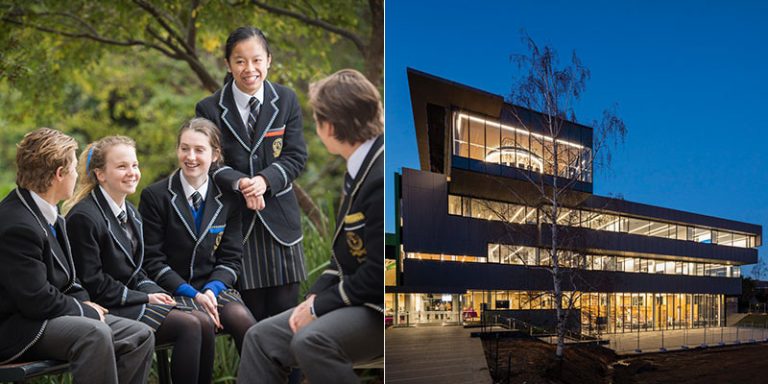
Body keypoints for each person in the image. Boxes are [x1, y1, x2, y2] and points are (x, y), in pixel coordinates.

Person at [238, 69, 384, 383]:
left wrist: (319, 308)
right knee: (260, 337)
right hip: (354, 300)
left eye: (316, 120)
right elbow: (341, 261)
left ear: (329, 126)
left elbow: (378, 275)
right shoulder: (358, 167)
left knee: (311, 340)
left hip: (381, 309)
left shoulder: (380, 175)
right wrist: (312, 300)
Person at [0, 128, 154, 384]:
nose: (76, 175)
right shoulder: (17, 224)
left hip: (47, 316)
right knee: (94, 333)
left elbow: (70, 281)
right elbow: (35, 300)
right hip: (18, 328)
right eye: (73, 169)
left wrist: (88, 305)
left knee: (140, 334)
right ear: (59, 175)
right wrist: (85, 310)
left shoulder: (52, 215)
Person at [64, 135, 216, 384]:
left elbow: (137, 272)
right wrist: (146, 298)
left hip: (131, 300)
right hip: (107, 307)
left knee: (204, 320)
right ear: (100, 174)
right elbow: (94, 283)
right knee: (189, 325)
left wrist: (158, 294)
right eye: (122, 166)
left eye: (134, 165)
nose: (132, 173)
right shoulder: (84, 217)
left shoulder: (131, 213)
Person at [195, 26, 308, 320]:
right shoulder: (209, 108)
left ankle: (292, 370)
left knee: (287, 325)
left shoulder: (285, 99)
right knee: (252, 327)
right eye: (240, 61)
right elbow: (210, 162)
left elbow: (296, 155)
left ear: (269, 60)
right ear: (229, 65)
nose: (250, 69)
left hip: (281, 227)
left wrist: (264, 181)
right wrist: (242, 183)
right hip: (237, 227)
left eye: (256, 60)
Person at [140, 117, 256, 352]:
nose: (190, 157)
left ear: (215, 155)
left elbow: (231, 259)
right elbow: (152, 260)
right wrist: (193, 294)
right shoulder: (155, 196)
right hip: (173, 289)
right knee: (200, 324)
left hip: (214, 288)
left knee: (243, 320)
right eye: (185, 149)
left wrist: (211, 291)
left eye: (199, 150)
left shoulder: (228, 199)